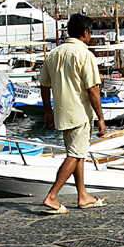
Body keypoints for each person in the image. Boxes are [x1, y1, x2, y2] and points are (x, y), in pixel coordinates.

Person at [39, 13, 106, 214]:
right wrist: (101, 117)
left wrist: (48, 111)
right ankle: (52, 196)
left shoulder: (53, 54)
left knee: (78, 154)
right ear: (85, 33)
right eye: (90, 32)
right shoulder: (85, 54)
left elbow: (44, 85)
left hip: (62, 112)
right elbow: (92, 89)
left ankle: (82, 195)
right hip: (80, 112)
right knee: (75, 154)